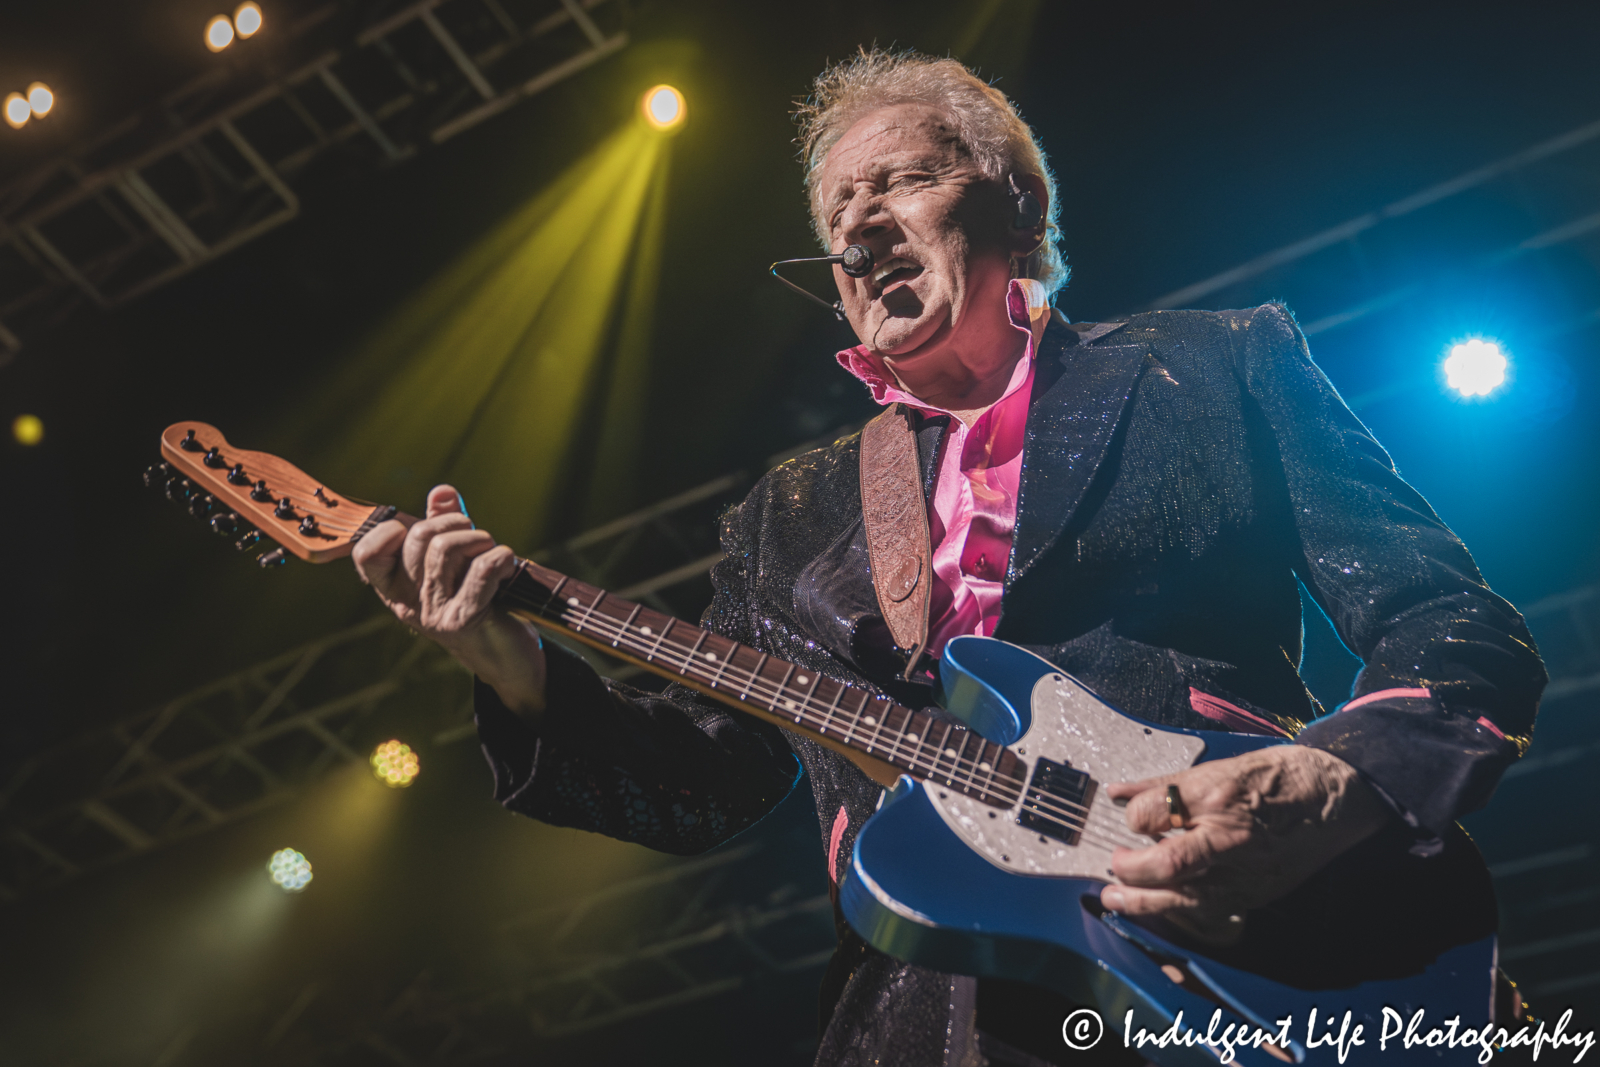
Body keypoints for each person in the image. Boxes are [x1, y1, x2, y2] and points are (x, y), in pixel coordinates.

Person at [351, 49, 1546, 1067]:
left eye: (902, 181)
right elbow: (707, 779)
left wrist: (1329, 782)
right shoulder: (789, 510)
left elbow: (1452, 625)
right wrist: (513, 666)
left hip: (1251, 925)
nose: (860, 224)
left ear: (1015, 203)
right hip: (918, 1009)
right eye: (836, 216)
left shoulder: (1218, 364)